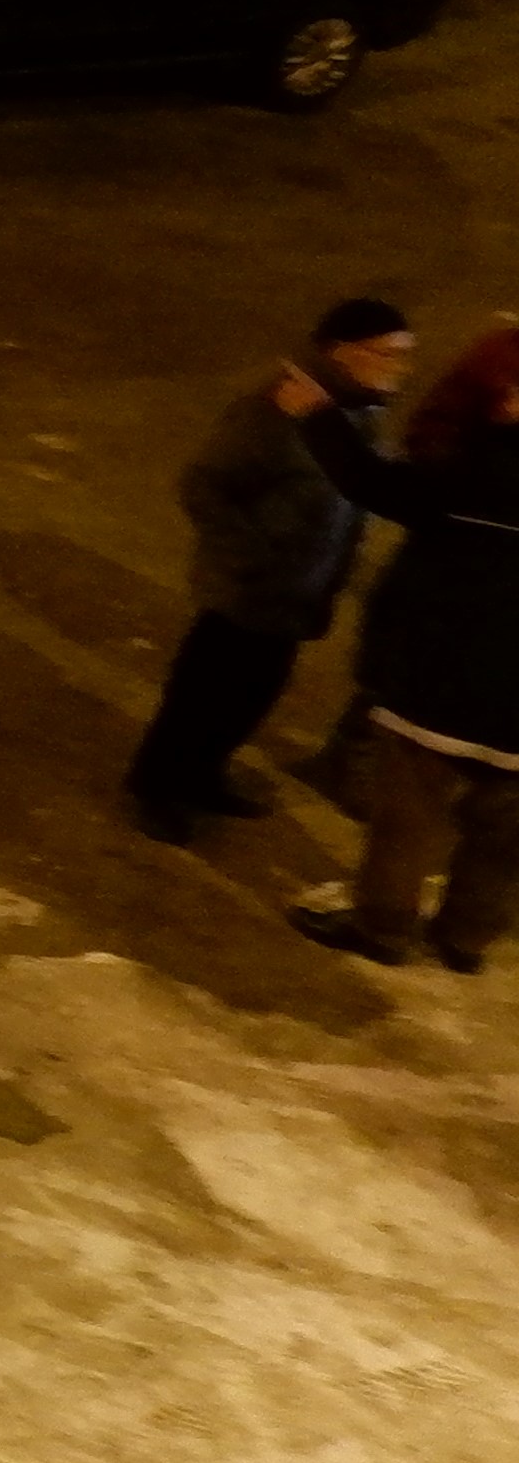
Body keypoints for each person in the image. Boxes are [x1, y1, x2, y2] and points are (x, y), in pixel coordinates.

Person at [131, 297, 415, 842]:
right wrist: (250, 559)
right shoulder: (269, 412)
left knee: (251, 695)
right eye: (387, 354)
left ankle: (204, 776)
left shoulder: (363, 412)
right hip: (245, 591)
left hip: (297, 595)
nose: (400, 368)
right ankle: (158, 788)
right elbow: (204, 486)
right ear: (341, 351)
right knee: (201, 695)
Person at [272, 361, 519, 968]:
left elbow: (373, 483)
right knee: (504, 836)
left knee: (409, 817)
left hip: (443, 681)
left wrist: (319, 415)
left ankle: (382, 928)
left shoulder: (479, 472)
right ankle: (465, 940)